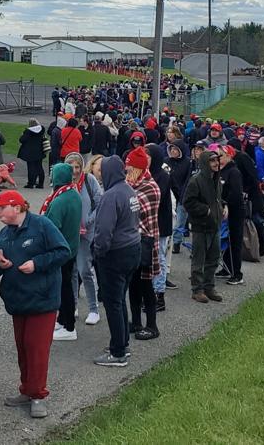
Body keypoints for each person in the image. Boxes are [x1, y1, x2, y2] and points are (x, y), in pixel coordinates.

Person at [0, 190, 71, 419]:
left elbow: (63, 251)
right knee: (23, 348)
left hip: (42, 300)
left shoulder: (42, 225)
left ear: (16, 207)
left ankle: (38, 396)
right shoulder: (4, 234)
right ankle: (27, 389)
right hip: (17, 300)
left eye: (1, 209)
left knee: (37, 349)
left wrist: (37, 263)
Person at [91, 155, 142, 367]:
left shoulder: (111, 195)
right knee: (120, 299)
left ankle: (118, 352)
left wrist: (98, 252)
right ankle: (122, 342)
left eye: (103, 171)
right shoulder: (129, 190)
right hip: (133, 248)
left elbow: (103, 231)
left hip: (115, 253)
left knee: (113, 302)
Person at [39, 163, 83, 343]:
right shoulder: (73, 193)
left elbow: (50, 227)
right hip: (71, 247)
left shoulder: (60, 200)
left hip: (61, 250)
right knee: (65, 286)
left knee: (63, 289)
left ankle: (69, 326)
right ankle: (63, 319)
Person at [125, 146, 163, 339]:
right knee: (133, 283)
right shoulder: (133, 185)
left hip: (146, 240)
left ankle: (152, 325)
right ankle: (137, 322)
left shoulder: (150, 186)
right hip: (133, 241)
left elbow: (137, 212)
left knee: (146, 284)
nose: (127, 172)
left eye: (130, 168)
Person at [66, 153, 102, 327]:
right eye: (71, 167)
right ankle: (72, 304)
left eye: (77, 166)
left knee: (84, 270)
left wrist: (88, 220)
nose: (75, 171)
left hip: (86, 233)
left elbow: (100, 202)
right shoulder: (63, 181)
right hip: (69, 234)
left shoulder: (89, 180)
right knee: (71, 271)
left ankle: (94, 309)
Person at [184, 150, 224, 303]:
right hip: (201, 225)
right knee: (199, 259)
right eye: (212, 161)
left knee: (213, 257)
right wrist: (205, 210)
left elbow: (218, 198)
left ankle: (209, 286)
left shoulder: (216, 179)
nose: (216, 164)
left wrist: (223, 205)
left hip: (215, 224)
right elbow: (188, 202)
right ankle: (197, 289)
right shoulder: (196, 181)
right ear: (205, 163)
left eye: (217, 161)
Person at [147, 144, 176, 308]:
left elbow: (156, 197)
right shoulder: (146, 173)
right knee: (149, 259)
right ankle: (149, 291)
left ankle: (159, 294)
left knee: (159, 258)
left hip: (160, 223)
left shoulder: (162, 176)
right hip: (148, 223)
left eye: (149, 155)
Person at [217, 146, 245, 284]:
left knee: (234, 242)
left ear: (229, 156)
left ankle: (237, 273)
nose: (219, 159)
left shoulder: (233, 172)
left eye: (221, 156)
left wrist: (226, 203)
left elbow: (235, 193)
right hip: (222, 211)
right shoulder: (220, 171)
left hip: (234, 212)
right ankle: (227, 268)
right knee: (225, 242)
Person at [18, 119, 47, 189]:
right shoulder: (41, 130)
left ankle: (31, 183)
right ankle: (41, 183)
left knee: (31, 168)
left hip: (30, 152)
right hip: (39, 151)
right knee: (39, 167)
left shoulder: (28, 132)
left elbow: (21, 140)